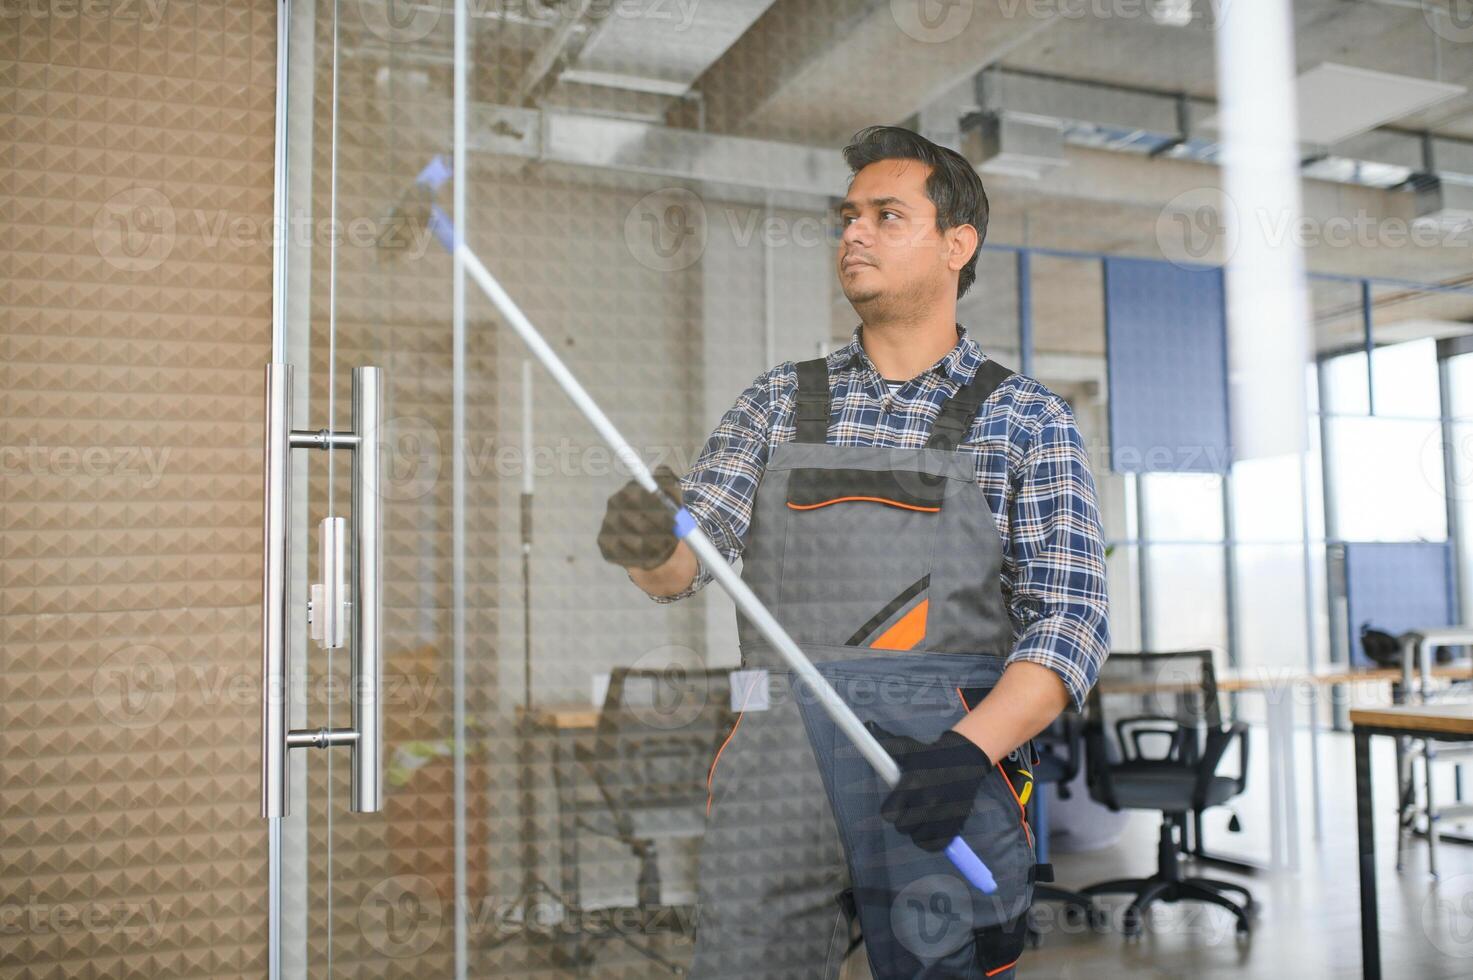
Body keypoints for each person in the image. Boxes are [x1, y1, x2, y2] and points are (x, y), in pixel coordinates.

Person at [596, 125, 1110, 979]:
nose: (853, 234)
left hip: (940, 771)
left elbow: (1070, 624)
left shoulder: (1024, 421)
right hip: (775, 777)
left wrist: (966, 752)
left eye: (885, 215)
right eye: (847, 217)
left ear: (957, 244)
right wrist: (646, 543)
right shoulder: (775, 403)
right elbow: (685, 567)